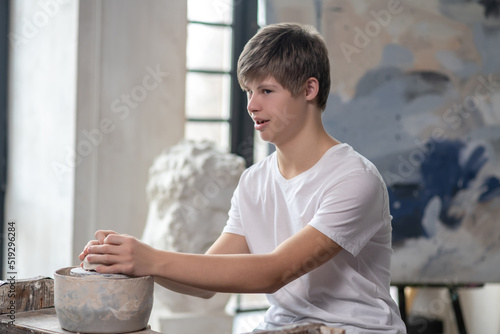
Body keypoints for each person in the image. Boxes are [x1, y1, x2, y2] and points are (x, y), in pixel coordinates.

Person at [79, 22, 406, 333]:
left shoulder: (354, 179)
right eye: (248, 91)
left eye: (266, 90)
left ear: (309, 89)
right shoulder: (253, 181)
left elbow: (277, 271)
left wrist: (150, 258)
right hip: (282, 328)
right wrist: (131, 261)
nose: (251, 105)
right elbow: (205, 282)